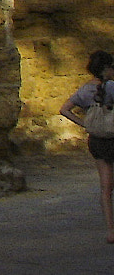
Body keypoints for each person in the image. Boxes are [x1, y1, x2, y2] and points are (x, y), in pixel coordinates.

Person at [59, 49, 114, 244]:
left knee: (106, 189)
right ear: (107, 69)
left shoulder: (84, 90)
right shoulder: (112, 88)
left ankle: (110, 231)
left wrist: (85, 124)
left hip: (97, 140)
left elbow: (64, 109)